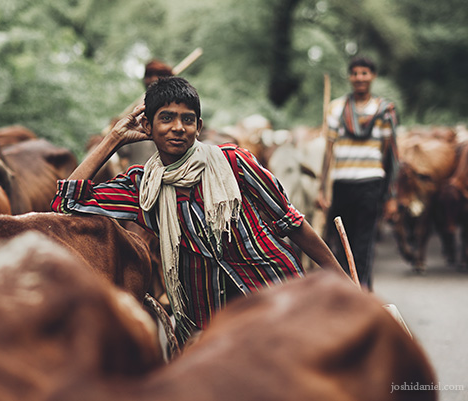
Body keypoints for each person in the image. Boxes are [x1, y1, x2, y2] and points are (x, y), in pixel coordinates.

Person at [52, 77, 344, 343]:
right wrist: (114, 139)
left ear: (198, 127)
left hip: (276, 296)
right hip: (208, 321)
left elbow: (292, 223)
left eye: (187, 120)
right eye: (166, 118)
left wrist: (342, 282)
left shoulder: (233, 163)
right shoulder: (143, 187)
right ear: (147, 127)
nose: (178, 127)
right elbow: (67, 200)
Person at [316, 56, 399, 291]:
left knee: (364, 242)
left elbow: (390, 154)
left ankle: (363, 291)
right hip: (342, 183)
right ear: (349, 77)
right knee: (341, 242)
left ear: (372, 76)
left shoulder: (385, 110)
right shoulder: (336, 108)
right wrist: (322, 188)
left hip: (370, 182)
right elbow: (328, 151)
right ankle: (345, 292)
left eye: (364, 73)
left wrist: (390, 194)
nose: (359, 78)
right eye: (355, 73)